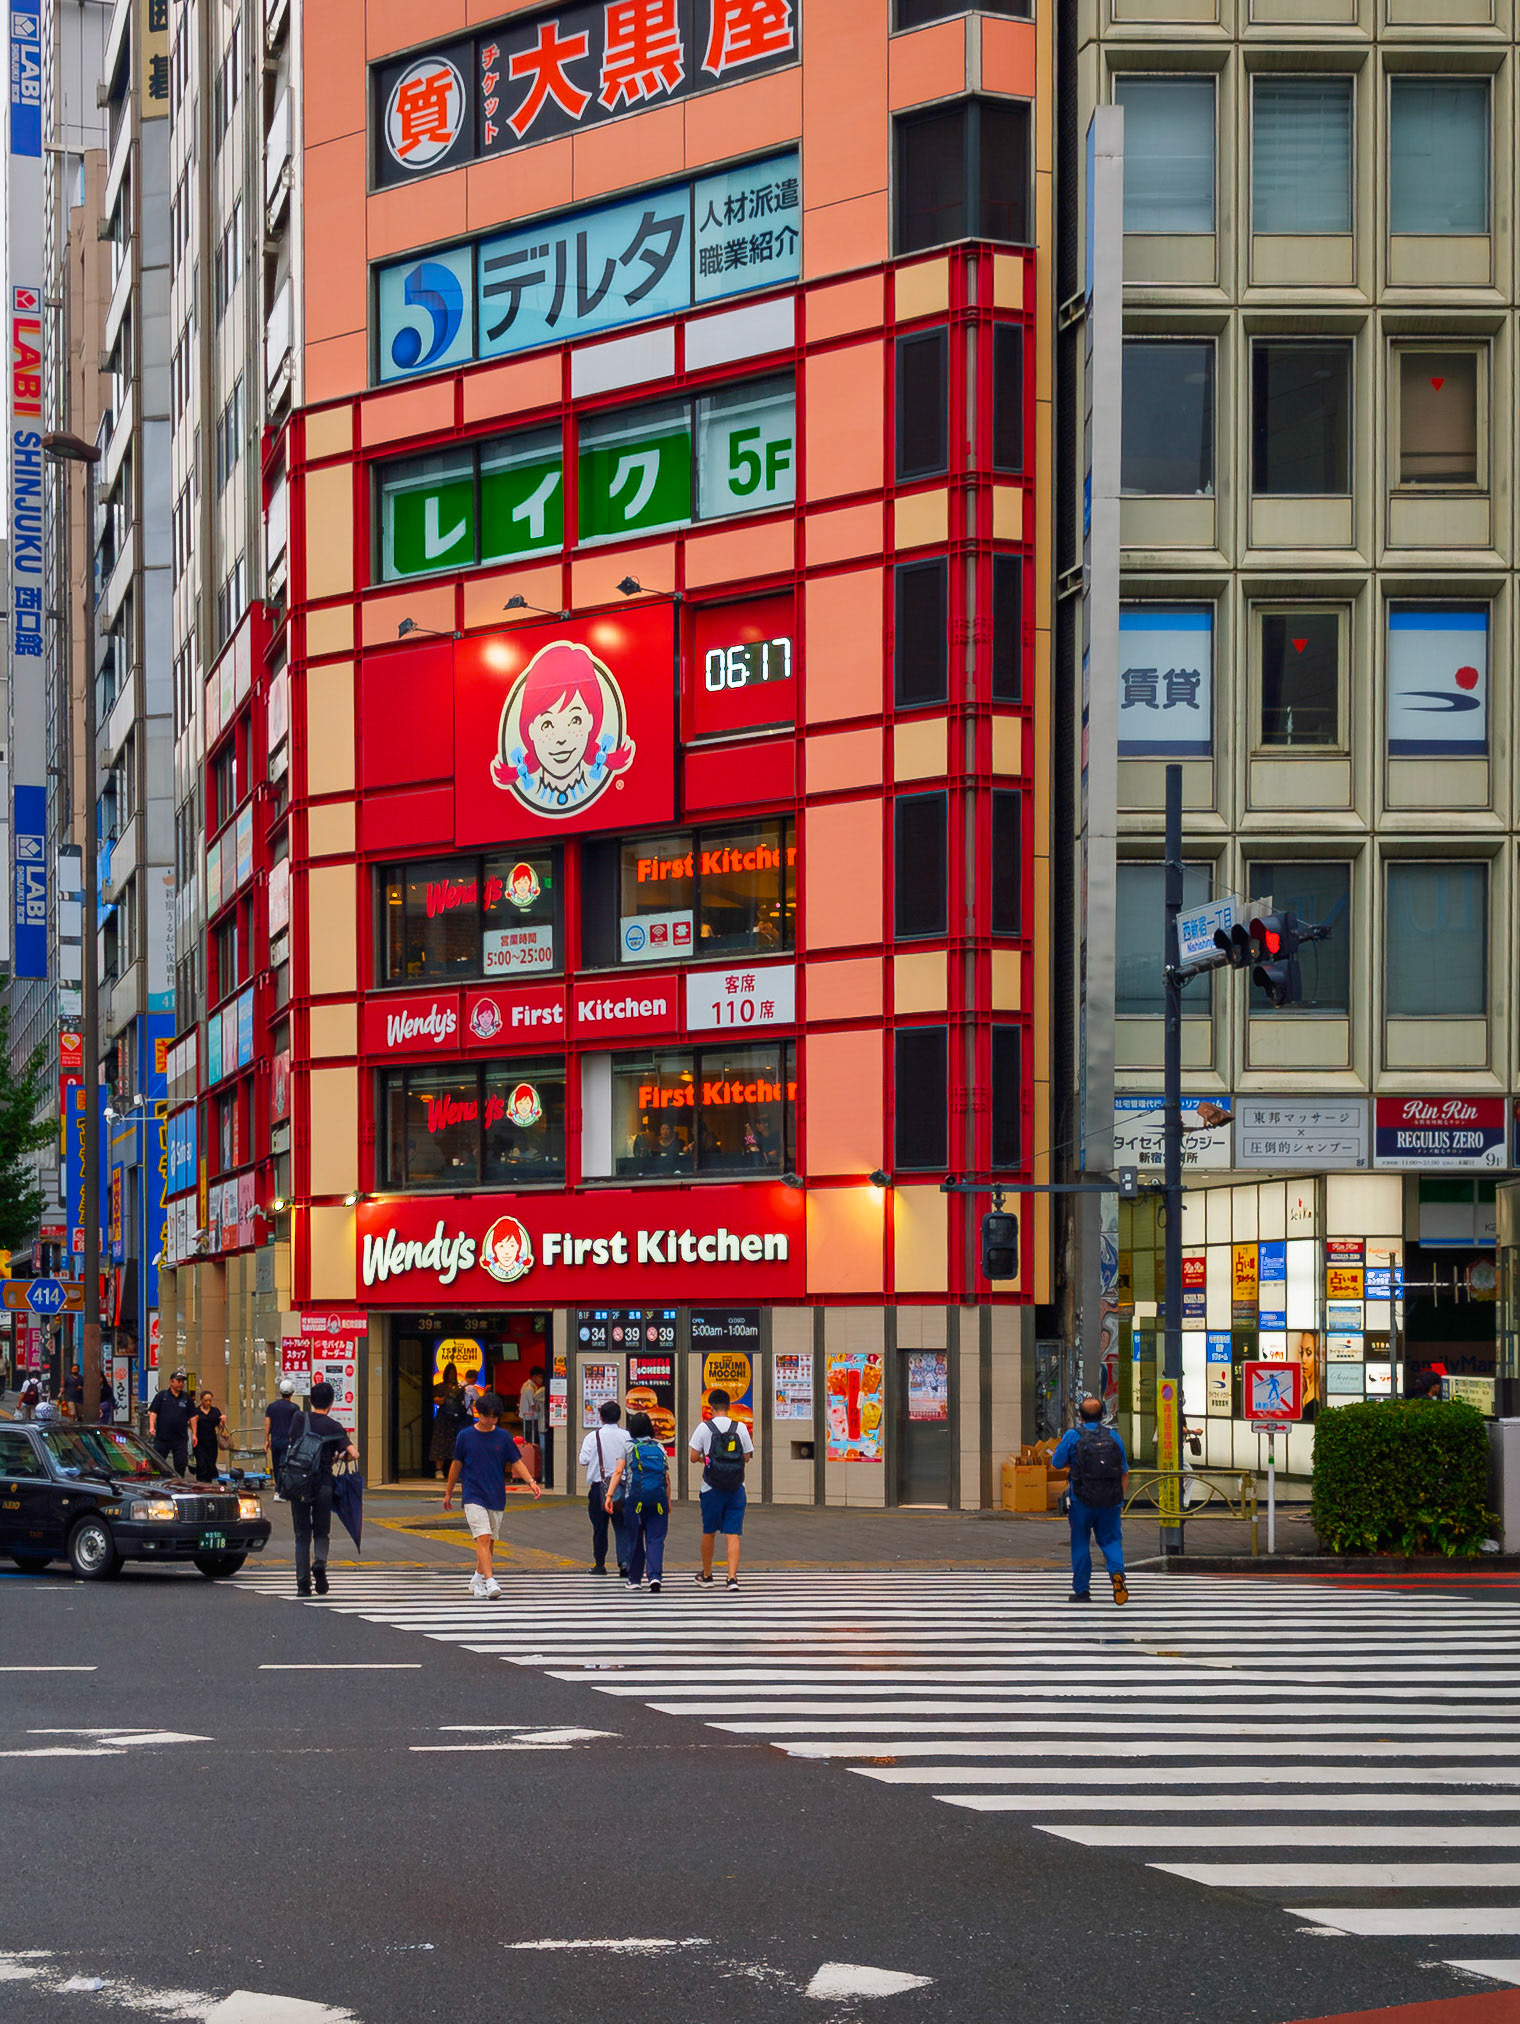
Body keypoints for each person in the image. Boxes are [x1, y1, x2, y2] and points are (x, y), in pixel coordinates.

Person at [443, 1388, 541, 1599]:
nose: (492, 1419)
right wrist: (448, 1492)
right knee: (483, 1537)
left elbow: (516, 1461)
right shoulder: (465, 1436)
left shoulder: (503, 1437)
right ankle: (490, 1581)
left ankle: (478, 1578)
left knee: (490, 1542)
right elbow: (456, 1465)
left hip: (496, 1495)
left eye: (496, 1415)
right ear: (479, 1413)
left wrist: (531, 1481)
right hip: (473, 1494)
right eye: (489, 1415)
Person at [1051, 1397, 1130, 1607]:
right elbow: (1124, 1472)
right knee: (1111, 1540)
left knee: (1080, 1542)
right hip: (1111, 1501)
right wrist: (1119, 1499)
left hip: (1081, 1499)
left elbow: (1056, 1463)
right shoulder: (1114, 1436)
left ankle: (1082, 1590)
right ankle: (1117, 1574)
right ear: (1103, 1414)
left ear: (1080, 1415)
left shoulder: (1073, 1436)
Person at [288, 1380, 358, 1597]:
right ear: (332, 1403)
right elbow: (354, 1454)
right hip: (324, 1484)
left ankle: (302, 1584)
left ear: (310, 1401)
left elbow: (294, 1444)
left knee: (301, 1535)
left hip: (298, 1482)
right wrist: (338, 1456)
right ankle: (319, 1562)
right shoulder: (335, 1427)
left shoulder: (299, 1419)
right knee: (321, 1532)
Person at [690, 1387, 753, 1591]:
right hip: (737, 1487)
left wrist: (707, 1460)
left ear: (711, 1407)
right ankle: (732, 1578)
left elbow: (692, 1457)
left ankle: (707, 1575)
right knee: (732, 1532)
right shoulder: (740, 1427)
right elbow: (746, 1456)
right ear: (728, 1406)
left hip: (711, 1487)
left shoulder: (704, 1428)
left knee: (709, 1531)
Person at [606, 1411, 670, 1593]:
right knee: (655, 1540)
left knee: (634, 1538)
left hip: (634, 1500)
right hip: (658, 1501)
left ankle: (634, 1579)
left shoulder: (627, 1446)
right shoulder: (659, 1447)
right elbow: (666, 1477)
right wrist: (667, 1501)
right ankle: (655, 1576)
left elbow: (618, 1472)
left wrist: (609, 1496)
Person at [577, 1399, 632, 1576]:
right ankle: (624, 1564)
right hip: (622, 1487)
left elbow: (583, 1460)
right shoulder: (627, 1436)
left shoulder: (593, 1437)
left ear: (601, 1417)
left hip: (599, 1488)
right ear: (619, 1417)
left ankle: (600, 1564)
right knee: (622, 1526)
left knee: (599, 1528)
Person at [147, 1368, 194, 1475]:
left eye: (183, 1381)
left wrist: (194, 1434)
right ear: (171, 1382)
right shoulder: (162, 1396)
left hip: (180, 1438)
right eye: (179, 1381)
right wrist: (151, 1427)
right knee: (158, 1462)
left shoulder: (186, 1398)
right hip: (163, 1437)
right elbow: (153, 1412)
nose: (181, 1383)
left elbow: (192, 1417)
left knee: (181, 1463)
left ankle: (178, 1482)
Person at [429, 1362, 467, 1481]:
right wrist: (448, 1398)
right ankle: (439, 1470)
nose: (451, 1376)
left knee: (456, 1445)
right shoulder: (440, 1386)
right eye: (450, 1373)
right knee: (440, 1444)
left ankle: (457, 1471)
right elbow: (437, 1400)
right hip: (443, 1418)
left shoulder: (459, 1388)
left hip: (456, 1419)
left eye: (453, 1373)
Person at [265, 1378, 300, 1497]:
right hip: (288, 1441)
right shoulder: (294, 1408)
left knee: (276, 1465)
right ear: (292, 1392)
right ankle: (281, 1490)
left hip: (275, 1440)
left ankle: (278, 1489)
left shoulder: (272, 1406)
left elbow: (267, 1423)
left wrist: (266, 1440)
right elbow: (297, 1426)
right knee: (284, 1466)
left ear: (280, 1392)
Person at [190, 1389, 228, 1483]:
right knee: (201, 1463)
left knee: (211, 1463)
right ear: (201, 1400)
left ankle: (208, 1482)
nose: (208, 1402)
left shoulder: (215, 1411)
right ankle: (200, 1482)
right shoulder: (196, 1411)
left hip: (211, 1441)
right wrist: (195, 1421)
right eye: (205, 1400)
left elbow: (219, 1426)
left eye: (210, 1400)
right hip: (199, 1442)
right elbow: (190, 1425)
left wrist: (222, 1422)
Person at [518, 1365, 545, 1446]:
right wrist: (542, 1410)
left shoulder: (526, 1385)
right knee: (531, 1440)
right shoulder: (529, 1388)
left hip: (527, 1417)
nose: (541, 1379)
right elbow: (533, 1405)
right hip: (530, 1418)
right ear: (535, 1376)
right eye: (540, 1377)